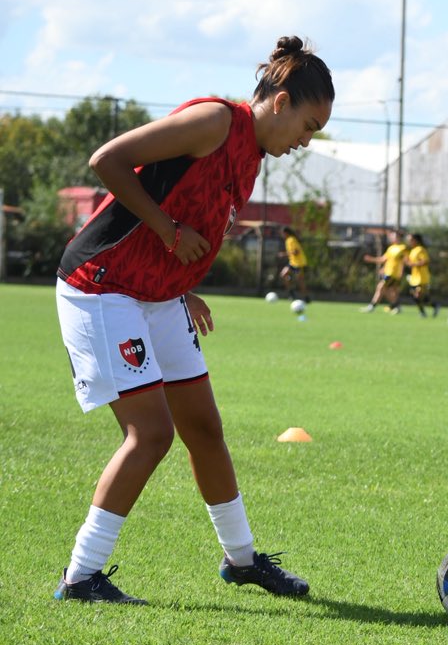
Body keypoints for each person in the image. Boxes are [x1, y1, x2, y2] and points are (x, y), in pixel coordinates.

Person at [53, 36, 334, 604]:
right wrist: (166, 231)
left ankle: (243, 560)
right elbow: (106, 160)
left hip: (157, 297)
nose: (306, 141)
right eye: (308, 125)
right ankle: (81, 576)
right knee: (151, 434)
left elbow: (190, 212)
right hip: (102, 286)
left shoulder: (252, 155)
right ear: (280, 103)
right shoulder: (214, 120)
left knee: (204, 429)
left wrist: (183, 288)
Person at [360, 230, 407, 314]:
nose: (392, 237)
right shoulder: (391, 248)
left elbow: (404, 261)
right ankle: (396, 306)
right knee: (388, 291)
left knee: (381, 287)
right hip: (388, 272)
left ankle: (372, 306)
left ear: (399, 237)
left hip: (393, 273)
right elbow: (384, 259)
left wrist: (401, 272)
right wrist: (373, 260)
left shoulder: (402, 248)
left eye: (394, 236)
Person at [405, 233, 440, 318]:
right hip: (414, 278)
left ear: (416, 240)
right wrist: (407, 262)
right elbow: (410, 263)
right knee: (418, 297)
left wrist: (413, 264)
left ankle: (423, 313)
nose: (409, 242)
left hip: (422, 277)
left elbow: (426, 261)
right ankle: (434, 305)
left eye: (411, 240)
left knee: (418, 296)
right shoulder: (412, 250)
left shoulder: (421, 249)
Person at [279, 226, 310, 302]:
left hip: (298, 263)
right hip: (292, 263)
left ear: (286, 233)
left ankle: (306, 297)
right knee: (283, 275)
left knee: (300, 281)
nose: (282, 235)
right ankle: (291, 293)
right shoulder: (288, 240)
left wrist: (284, 254)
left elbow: (296, 252)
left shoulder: (292, 240)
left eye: (282, 233)